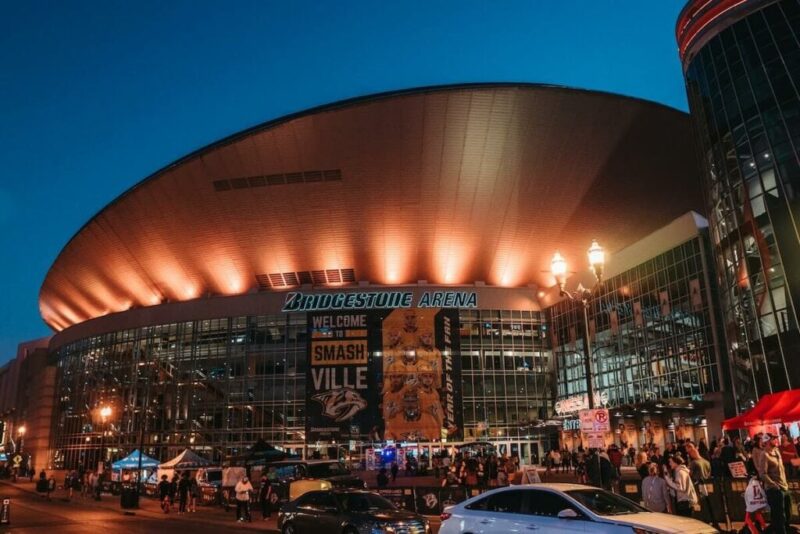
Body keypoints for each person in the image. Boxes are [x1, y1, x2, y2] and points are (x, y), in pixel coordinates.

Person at [758, 433, 792, 534]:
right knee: (779, 517)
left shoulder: (777, 451)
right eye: (773, 439)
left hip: (784, 487)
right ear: (767, 441)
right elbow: (762, 474)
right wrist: (774, 485)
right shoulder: (764, 454)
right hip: (775, 490)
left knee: (787, 513)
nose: (776, 440)